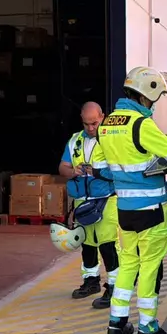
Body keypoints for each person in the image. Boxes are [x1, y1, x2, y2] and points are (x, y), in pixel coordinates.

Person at [90, 67, 167, 334]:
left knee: (128, 263)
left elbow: (99, 169)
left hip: (124, 211)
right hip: (152, 211)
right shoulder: (141, 125)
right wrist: (162, 172)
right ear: (148, 95)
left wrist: (125, 175)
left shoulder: (107, 125)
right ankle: (148, 329)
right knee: (150, 268)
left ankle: (116, 325)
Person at [58, 102, 120, 309]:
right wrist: (72, 171)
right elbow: (62, 167)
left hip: (106, 199)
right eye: (87, 124)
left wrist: (96, 172)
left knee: (108, 244)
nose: (91, 128)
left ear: (103, 116)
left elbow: (120, 169)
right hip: (82, 200)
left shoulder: (112, 139)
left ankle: (114, 287)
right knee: (87, 244)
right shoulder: (75, 140)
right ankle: (91, 281)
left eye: (94, 123)